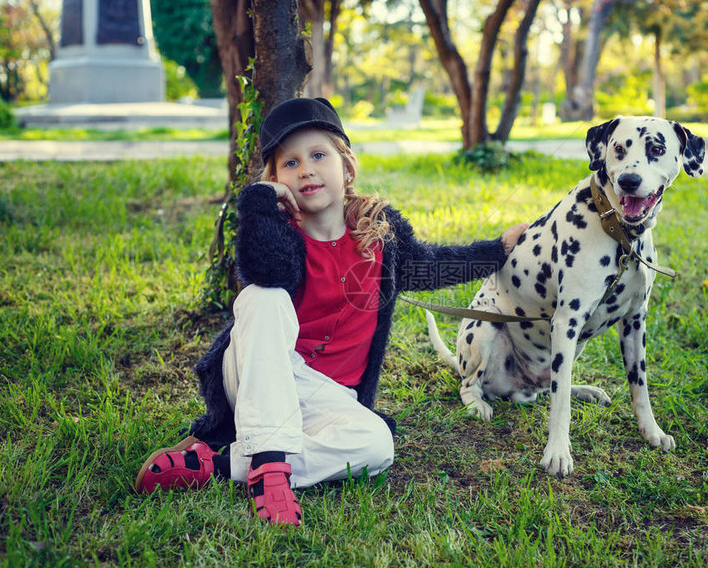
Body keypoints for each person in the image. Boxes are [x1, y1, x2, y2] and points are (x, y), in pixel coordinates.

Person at [134, 97, 527, 526]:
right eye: (290, 163)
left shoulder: (381, 235)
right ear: (276, 179)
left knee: (377, 445)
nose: (306, 169)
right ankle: (268, 468)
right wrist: (260, 203)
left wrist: (497, 250)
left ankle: (220, 465)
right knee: (261, 296)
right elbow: (264, 270)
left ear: (347, 167)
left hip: (329, 398)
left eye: (319, 155)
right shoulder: (282, 236)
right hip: (261, 372)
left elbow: (431, 264)